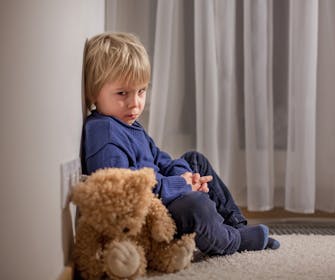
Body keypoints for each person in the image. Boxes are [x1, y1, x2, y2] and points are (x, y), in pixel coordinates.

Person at [82, 32, 280, 256]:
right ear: (93, 92)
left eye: (141, 91)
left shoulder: (127, 123)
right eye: (122, 93)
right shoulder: (104, 132)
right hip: (153, 213)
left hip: (166, 189)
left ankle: (236, 226)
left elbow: (160, 159)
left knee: (195, 160)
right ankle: (232, 240)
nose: (135, 103)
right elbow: (127, 190)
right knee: (196, 206)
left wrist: (188, 178)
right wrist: (179, 185)